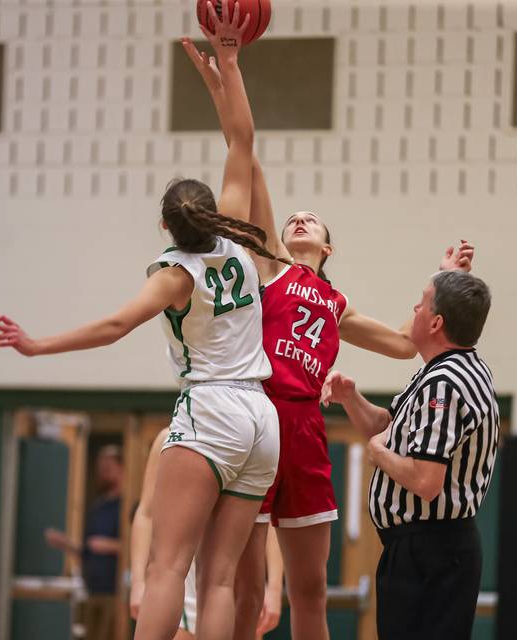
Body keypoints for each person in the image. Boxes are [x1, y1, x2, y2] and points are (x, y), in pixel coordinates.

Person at [0, 5, 283, 639]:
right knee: (223, 578)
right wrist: (229, 63)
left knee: (168, 563)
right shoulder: (237, 239)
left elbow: (112, 328)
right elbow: (241, 141)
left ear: (165, 227)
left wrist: (38, 347)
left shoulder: (175, 273)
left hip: (212, 409)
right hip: (263, 420)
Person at [182, 40, 474, 640]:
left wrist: (451, 278)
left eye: (312, 220)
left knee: (309, 589)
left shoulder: (336, 304)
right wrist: (225, 77)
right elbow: (246, 149)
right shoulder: (272, 266)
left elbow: (401, 342)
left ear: (330, 247)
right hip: (257, 420)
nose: (299, 219)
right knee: (248, 590)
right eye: (293, 218)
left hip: (308, 432)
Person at [321, 270, 498, 640]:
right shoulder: (447, 370)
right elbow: (387, 429)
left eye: (422, 302)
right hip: (427, 548)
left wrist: (376, 455)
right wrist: (351, 398)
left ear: (436, 322)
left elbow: (424, 480)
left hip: (431, 550)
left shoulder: (444, 383)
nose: (414, 308)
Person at [129, 429, 284, 639]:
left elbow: (269, 518)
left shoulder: (255, 434)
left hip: (233, 575)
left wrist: (274, 588)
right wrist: (138, 582)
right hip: (183, 575)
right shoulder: (171, 436)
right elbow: (146, 513)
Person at [45, 445, 124, 640]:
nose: (104, 472)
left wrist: (110, 545)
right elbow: (87, 549)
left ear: (122, 469)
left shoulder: (126, 506)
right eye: (101, 467)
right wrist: (65, 543)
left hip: (116, 593)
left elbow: (139, 548)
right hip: (92, 589)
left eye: (109, 467)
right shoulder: (98, 507)